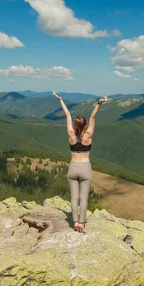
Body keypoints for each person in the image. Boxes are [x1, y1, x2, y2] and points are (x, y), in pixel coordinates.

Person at [53, 91, 108, 233]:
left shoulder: (71, 134)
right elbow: (93, 116)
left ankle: (75, 222)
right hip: (85, 168)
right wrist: (99, 103)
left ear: (75, 125)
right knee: (83, 198)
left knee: (73, 198)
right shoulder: (88, 135)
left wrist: (60, 100)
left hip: (73, 168)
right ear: (84, 126)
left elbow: (67, 115)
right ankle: (81, 223)